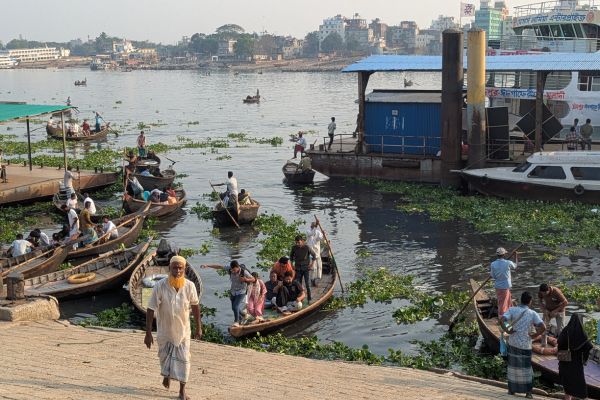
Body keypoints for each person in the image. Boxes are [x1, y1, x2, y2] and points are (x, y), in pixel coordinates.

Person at [145, 255, 201, 400]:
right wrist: (148, 333)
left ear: (184, 269)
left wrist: (198, 328)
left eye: (180, 268)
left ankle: (182, 391)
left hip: (183, 331)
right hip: (165, 331)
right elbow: (151, 308)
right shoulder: (160, 286)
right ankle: (167, 375)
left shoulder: (190, 286)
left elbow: (195, 306)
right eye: (174, 267)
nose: (177, 270)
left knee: (185, 360)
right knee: (164, 358)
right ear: (170, 268)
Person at [500, 291, 546, 399]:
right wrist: (535, 335)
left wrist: (508, 330)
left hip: (513, 343)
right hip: (525, 344)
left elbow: (502, 320)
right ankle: (528, 393)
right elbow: (543, 327)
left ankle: (512, 390)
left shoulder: (512, 310)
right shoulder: (532, 313)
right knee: (526, 369)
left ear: (521, 300)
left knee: (513, 367)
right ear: (530, 302)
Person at [201, 260, 255, 327]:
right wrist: (207, 265)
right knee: (234, 308)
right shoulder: (230, 268)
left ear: (238, 267)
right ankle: (244, 316)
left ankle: (236, 322)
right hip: (233, 291)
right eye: (231, 270)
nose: (232, 271)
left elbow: (253, 279)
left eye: (234, 270)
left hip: (241, 291)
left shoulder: (244, 272)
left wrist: (246, 280)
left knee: (235, 306)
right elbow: (219, 266)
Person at [558, 313, 593, 400]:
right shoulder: (582, 334)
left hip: (565, 361)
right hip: (576, 363)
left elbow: (560, 342)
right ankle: (582, 397)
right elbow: (589, 346)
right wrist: (584, 358)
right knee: (578, 382)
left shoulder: (566, 330)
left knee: (567, 382)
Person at [490, 247, 518, 317]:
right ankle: (501, 318)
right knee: (502, 304)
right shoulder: (508, 262)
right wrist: (516, 256)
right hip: (505, 286)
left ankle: (509, 315)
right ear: (504, 255)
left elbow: (493, 276)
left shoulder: (493, 264)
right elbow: (515, 265)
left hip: (499, 286)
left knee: (507, 301)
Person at [290, 235, 316, 302]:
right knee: (298, 283)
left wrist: (312, 264)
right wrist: (291, 264)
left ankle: (309, 298)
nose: (297, 244)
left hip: (306, 268)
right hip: (298, 268)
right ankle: (300, 298)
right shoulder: (294, 248)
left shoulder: (307, 247)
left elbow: (314, 255)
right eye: (296, 242)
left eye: (298, 242)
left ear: (302, 241)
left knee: (307, 284)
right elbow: (291, 256)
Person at [306, 222, 324, 286]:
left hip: (317, 253)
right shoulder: (308, 231)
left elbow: (320, 239)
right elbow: (312, 233)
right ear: (311, 226)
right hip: (311, 254)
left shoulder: (318, 232)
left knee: (320, 266)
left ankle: (318, 278)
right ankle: (312, 279)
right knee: (314, 268)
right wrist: (316, 226)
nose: (313, 227)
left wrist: (323, 235)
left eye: (314, 226)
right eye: (313, 226)